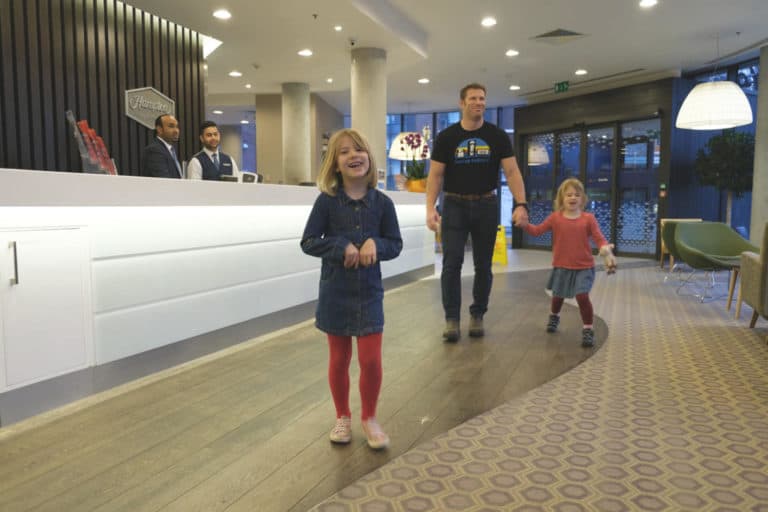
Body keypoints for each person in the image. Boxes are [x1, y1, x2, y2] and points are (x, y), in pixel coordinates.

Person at [300, 128, 403, 450]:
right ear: (334, 164)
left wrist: (377, 244)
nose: (353, 155)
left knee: (371, 360)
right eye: (343, 152)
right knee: (339, 358)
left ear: (370, 158)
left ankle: (369, 417)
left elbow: (395, 243)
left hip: (370, 293)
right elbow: (308, 242)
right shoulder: (326, 203)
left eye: (359, 149)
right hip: (336, 292)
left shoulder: (383, 203)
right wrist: (340, 245)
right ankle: (342, 415)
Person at [426, 83, 529, 342]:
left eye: (482, 98)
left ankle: (477, 314)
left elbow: (512, 171)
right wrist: (429, 208)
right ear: (462, 103)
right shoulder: (447, 137)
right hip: (454, 205)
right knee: (451, 264)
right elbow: (436, 175)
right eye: (473, 98)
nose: (478, 102)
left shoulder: (497, 135)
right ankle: (451, 319)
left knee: (484, 265)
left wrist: (521, 203)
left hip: (486, 204)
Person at [517, 178, 617, 347]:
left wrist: (606, 250)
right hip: (561, 266)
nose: (572, 197)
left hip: (584, 267)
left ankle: (588, 329)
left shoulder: (588, 219)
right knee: (558, 296)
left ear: (582, 198)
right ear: (561, 198)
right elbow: (537, 231)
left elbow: (599, 239)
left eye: (577, 194)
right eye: (568, 194)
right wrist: (525, 225)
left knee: (582, 296)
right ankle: (554, 316)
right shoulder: (555, 218)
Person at [140, 114, 182, 178]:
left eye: (177, 127)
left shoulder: (171, 150)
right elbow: (163, 180)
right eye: (171, 126)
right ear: (159, 129)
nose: (176, 130)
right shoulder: (154, 151)